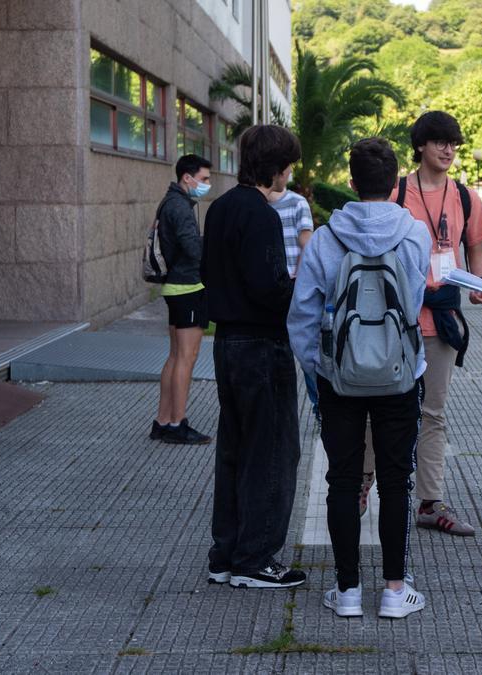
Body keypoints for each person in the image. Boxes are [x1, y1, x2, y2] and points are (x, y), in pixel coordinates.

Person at [288, 138, 431, 619]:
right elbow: (413, 304)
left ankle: (347, 590)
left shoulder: (326, 239)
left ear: (351, 184)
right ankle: (394, 589)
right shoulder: (414, 234)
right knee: (396, 481)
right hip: (401, 376)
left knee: (343, 480)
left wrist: (319, 372)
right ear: (396, 186)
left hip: (339, 379)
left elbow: (302, 317)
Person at [200, 124, 305, 590]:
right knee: (274, 451)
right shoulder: (262, 214)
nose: (289, 175)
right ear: (277, 167)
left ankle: (225, 553)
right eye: (288, 167)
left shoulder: (220, 207)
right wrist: (300, 291)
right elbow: (269, 289)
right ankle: (257, 558)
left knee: (236, 449)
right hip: (263, 344)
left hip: (226, 343)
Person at [388, 110, 482, 537]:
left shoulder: (466, 197)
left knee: (433, 413)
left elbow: (477, 253)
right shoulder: (396, 193)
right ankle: (361, 485)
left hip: (444, 320)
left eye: (453, 142)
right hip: (395, 321)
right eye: (439, 142)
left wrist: (481, 282)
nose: (448, 150)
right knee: (386, 409)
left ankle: (430, 502)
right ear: (420, 146)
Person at [151, 154, 213, 445]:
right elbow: (193, 249)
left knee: (175, 357)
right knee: (186, 359)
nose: (206, 185)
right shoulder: (180, 206)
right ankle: (177, 424)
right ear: (187, 178)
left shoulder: (171, 202)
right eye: (203, 179)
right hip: (187, 288)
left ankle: (162, 421)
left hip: (175, 288)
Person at [267, 184, 319, 424]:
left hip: (295, 285)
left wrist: (301, 281)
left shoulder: (298, 202)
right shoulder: (260, 203)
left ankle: (319, 408)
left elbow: (306, 243)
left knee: (306, 349)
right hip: (268, 288)